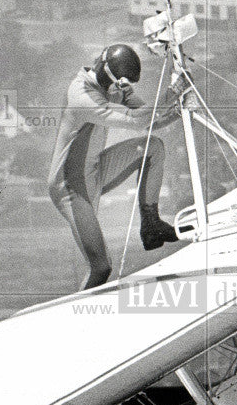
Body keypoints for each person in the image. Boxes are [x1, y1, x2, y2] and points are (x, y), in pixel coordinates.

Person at [48, 43, 183, 290]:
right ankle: (75, 320)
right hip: (70, 185)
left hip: (95, 170)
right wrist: (170, 94)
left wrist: (179, 109)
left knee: (153, 147)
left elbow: (150, 120)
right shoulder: (82, 96)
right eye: (118, 83)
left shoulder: (114, 84)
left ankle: (151, 225)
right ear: (106, 73)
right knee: (102, 267)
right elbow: (134, 120)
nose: (121, 89)